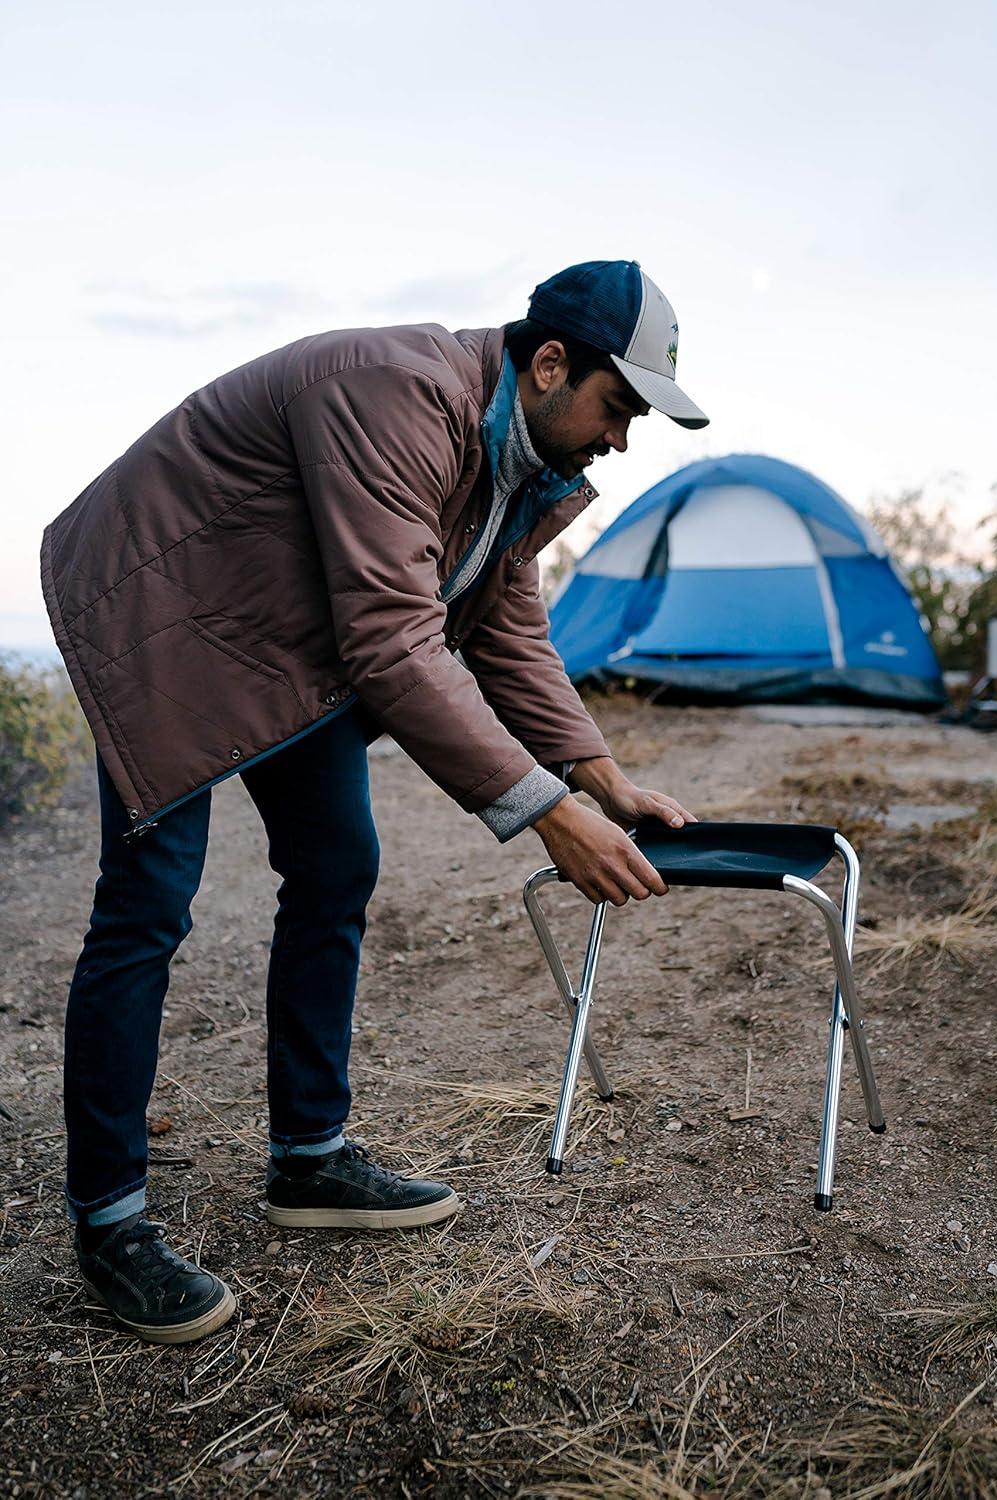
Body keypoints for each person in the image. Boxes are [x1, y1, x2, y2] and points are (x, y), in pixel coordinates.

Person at [41, 259, 708, 1344]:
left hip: (285, 636)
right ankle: (109, 1221)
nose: (621, 440)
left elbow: (504, 633)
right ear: (550, 364)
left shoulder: (517, 461)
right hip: (159, 606)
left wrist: (601, 777)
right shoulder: (397, 393)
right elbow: (395, 642)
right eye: (618, 407)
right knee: (149, 905)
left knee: (337, 863)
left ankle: (308, 1159)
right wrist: (548, 813)